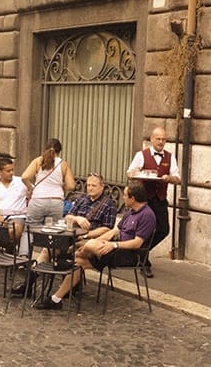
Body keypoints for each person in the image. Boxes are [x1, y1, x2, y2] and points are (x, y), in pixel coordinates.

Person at [35, 180, 156, 309]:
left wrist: (114, 245)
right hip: (111, 249)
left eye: (126, 195)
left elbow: (137, 243)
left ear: (133, 198)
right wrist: (98, 241)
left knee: (85, 248)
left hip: (128, 255)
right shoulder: (130, 212)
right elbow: (113, 231)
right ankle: (56, 299)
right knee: (78, 263)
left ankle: (69, 257)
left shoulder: (147, 215)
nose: (124, 198)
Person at [126, 126, 181, 277]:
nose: (161, 142)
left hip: (160, 199)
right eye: (158, 139)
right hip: (144, 200)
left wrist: (168, 178)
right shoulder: (141, 155)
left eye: (163, 139)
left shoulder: (170, 157)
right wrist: (139, 173)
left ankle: (139, 253)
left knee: (163, 230)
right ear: (151, 139)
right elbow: (130, 173)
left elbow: (177, 179)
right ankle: (144, 261)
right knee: (146, 230)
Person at [21, 138, 75, 226]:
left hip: (38, 199)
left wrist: (31, 187)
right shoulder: (63, 164)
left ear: (45, 148)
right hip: (56, 201)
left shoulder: (38, 161)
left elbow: (24, 177)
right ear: (59, 150)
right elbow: (71, 186)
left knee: (30, 229)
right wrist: (61, 186)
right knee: (53, 231)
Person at [65, 173, 118, 240]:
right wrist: (77, 219)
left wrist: (85, 235)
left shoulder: (109, 204)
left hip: (92, 239)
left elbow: (107, 229)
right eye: (88, 185)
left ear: (102, 187)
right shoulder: (81, 199)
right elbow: (67, 218)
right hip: (73, 236)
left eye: (94, 186)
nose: (90, 188)